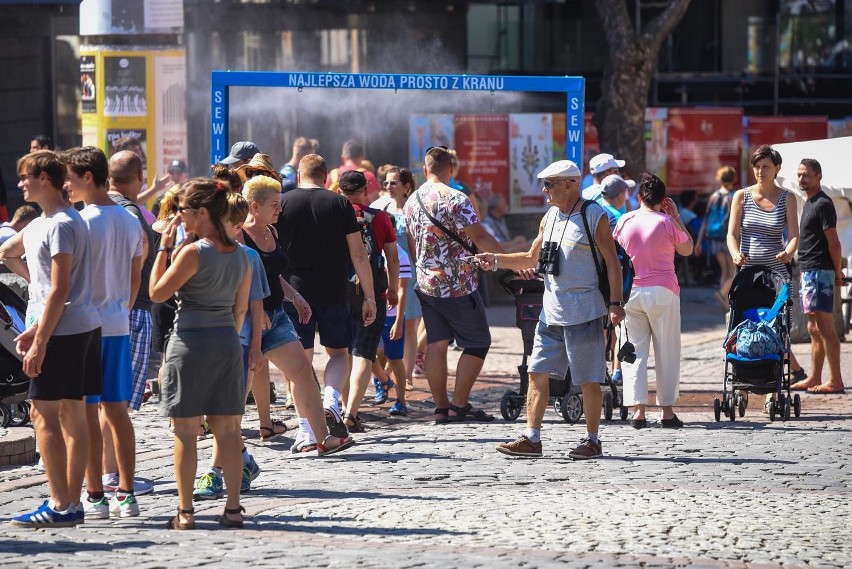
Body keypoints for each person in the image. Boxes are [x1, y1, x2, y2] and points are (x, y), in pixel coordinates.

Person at [481, 159, 625, 459]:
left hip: (584, 311)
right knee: (536, 373)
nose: (545, 190)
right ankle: (532, 438)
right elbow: (532, 259)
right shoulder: (549, 217)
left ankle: (593, 440)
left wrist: (615, 303)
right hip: (551, 312)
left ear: (570, 183)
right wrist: (495, 260)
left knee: (588, 379)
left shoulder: (593, 214)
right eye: (544, 184)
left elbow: (613, 263)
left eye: (549, 184)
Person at [2, 151, 101, 527]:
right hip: (75, 326)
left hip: (65, 330)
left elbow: (61, 288)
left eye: (25, 177)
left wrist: (41, 338)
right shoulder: (50, 221)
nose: (20, 183)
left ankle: (62, 503)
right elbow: (50, 289)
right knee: (71, 415)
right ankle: (69, 503)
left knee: (43, 416)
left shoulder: (61, 223)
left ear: (45, 178)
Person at [150, 178, 251, 530]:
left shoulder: (193, 252)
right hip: (226, 341)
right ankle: (234, 508)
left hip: (190, 343)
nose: (179, 217)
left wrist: (164, 249)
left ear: (202, 212)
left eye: (184, 210)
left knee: (186, 431)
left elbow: (157, 292)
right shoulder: (241, 255)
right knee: (227, 431)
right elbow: (240, 311)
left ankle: (186, 511)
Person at [63, 147, 145, 520]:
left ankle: (95, 493)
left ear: (89, 178)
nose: (67, 185)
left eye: (71, 178)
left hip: (85, 327)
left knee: (88, 413)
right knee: (118, 413)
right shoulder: (131, 221)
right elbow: (135, 279)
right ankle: (126, 493)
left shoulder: (80, 222)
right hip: (117, 325)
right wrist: (119, 312)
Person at [277, 154, 376, 440]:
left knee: (300, 364)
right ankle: (332, 401)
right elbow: (359, 254)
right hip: (333, 289)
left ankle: (306, 430)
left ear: (299, 174)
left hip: (294, 291)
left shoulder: (283, 203)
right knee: (338, 353)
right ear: (325, 176)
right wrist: (369, 296)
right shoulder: (340, 203)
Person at [403, 146, 503, 424]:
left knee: (436, 343)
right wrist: (507, 261)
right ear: (451, 169)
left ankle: (440, 407)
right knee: (478, 342)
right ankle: (459, 405)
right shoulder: (456, 198)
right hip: (458, 284)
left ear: (425, 170)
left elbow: (413, 245)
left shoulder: (411, 201)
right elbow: (480, 237)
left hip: (425, 284)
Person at [613, 174, 693, 428]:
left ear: (638, 197)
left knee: (633, 352)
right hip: (663, 291)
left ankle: (638, 412)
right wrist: (676, 216)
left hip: (631, 293)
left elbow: (615, 254)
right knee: (667, 350)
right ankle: (667, 412)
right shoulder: (667, 222)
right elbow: (688, 249)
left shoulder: (624, 221)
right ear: (663, 199)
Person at [728, 144, 807, 398]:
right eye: (757, 167)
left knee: (778, 328)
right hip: (747, 275)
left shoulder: (788, 198)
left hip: (776, 274)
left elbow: (794, 236)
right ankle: (741, 383)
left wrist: (789, 252)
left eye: (766, 167)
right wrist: (734, 253)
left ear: (777, 169)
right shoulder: (741, 196)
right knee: (743, 323)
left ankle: (774, 390)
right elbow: (731, 234)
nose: (760, 171)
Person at [337, 170, 399, 432]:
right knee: (363, 352)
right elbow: (393, 258)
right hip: (373, 291)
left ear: (340, 192)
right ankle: (351, 414)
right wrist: (394, 289)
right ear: (365, 190)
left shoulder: (334, 216)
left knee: (342, 352)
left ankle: (341, 409)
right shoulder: (380, 217)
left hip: (339, 292)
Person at [790, 159, 845, 394]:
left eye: (807, 175)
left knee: (825, 327)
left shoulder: (823, 203)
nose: (802, 179)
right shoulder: (809, 202)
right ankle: (814, 377)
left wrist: (837, 272)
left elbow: (834, 242)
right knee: (814, 328)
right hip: (809, 271)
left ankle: (835, 380)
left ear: (819, 176)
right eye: (800, 175)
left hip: (819, 272)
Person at [373, 167, 425, 390]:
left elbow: (415, 246)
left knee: (410, 325)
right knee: (388, 323)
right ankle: (389, 373)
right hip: (384, 272)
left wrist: (419, 271)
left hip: (408, 271)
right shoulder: (381, 207)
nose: (388, 187)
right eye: (387, 182)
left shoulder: (413, 209)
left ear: (407, 186)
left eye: (394, 183)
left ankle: (407, 375)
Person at [695, 166, 736, 309]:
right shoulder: (732, 197)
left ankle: (725, 303)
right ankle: (723, 293)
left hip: (713, 238)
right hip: (727, 238)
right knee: (734, 272)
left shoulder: (713, 196)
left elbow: (706, 219)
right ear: (733, 179)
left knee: (724, 271)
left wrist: (699, 242)